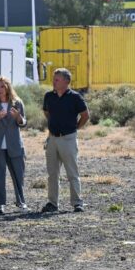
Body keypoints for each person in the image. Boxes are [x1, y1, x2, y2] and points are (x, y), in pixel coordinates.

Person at [42, 68, 90, 213]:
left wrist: (74, 128)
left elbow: (85, 115)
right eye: (54, 79)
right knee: (52, 174)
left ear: (66, 82)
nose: (53, 82)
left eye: (57, 79)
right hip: (52, 139)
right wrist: (53, 125)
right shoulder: (49, 96)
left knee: (72, 172)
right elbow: (46, 112)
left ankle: (77, 203)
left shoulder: (75, 97)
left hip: (68, 139)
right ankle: (52, 203)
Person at [0, 76, 28, 214]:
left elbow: (24, 123)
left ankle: (21, 202)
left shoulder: (17, 103)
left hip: (14, 145)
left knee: (18, 175)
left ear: (8, 87)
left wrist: (18, 118)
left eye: (2, 86)